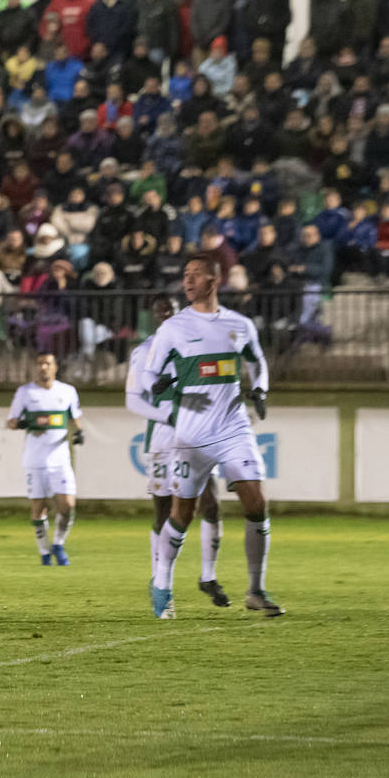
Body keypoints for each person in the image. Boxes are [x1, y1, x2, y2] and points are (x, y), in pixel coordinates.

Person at [141, 253, 283, 619]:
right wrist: (160, 384)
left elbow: (257, 361)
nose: (187, 280)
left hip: (234, 428)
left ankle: (255, 590)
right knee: (182, 513)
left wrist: (261, 390)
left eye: (195, 274)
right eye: (184, 274)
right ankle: (162, 583)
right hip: (190, 436)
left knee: (256, 502)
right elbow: (149, 375)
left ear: (213, 280)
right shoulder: (173, 328)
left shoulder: (239, 325)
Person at [126, 295, 230, 608]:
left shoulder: (195, 347)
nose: (166, 315)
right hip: (162, 441)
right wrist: (170, 415)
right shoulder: (144, 352)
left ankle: (208, 577)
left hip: (197, 437)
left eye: (171, 310)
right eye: (160, 311)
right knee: (164, 513)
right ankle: (161, 583)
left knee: (210, 506)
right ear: (154, 316)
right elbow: (133, 401)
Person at [7, 353, 85, 566]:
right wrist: (22, 424)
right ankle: (44, 552)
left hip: (60, 459)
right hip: (35, 460)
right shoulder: (25, 393)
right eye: (40, 363)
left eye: (48, 363)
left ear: (55, 367)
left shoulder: (67, 391)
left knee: (67, 504)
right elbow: (11, 421)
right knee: (39, 507)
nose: (43, 367)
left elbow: (75, 416)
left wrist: (79, 432)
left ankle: (58, 543)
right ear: (35, 367)